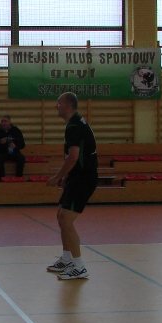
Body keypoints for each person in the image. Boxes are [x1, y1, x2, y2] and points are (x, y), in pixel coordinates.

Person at [45, 92, 98, 280]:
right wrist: (67, 177)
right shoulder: (75, 123)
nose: (56, 106)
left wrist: (57, 177)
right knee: (61, 215)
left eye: (58, 103)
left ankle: (79, 266)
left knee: (66, 220)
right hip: (76, 177)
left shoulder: (74, 126)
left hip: (83, 178)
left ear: (68, 106)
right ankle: (67, 258)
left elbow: (74, 157)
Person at [0, 115, 26, 180]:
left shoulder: (16, 130)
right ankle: (2, 178)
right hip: (1, 152)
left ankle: (19, 177)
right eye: (2, 121)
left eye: (5, 121)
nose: (3, 123)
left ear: (10, 122)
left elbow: (22, 144)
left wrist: (15, 146)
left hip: (13, 152)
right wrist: (0, 143)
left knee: (21, 158)